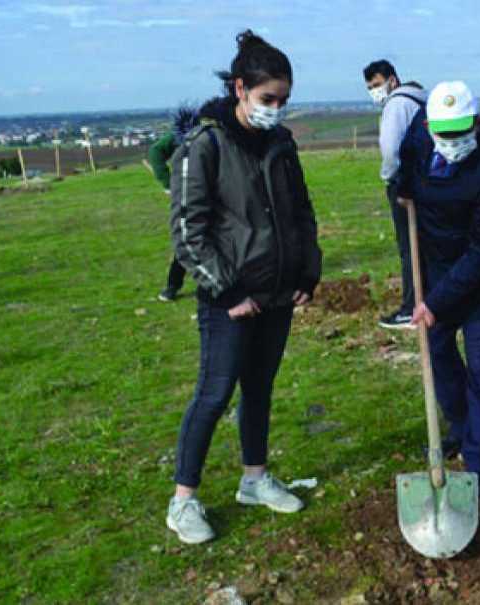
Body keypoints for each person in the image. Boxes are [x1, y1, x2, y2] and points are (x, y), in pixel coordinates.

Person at [165, 30, 322, 544]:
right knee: (213, 394)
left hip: (277, 294)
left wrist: (306, 272)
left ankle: (255, 479)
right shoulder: (203, 146)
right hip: (228, 300)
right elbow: (189, 232)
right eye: (266, 99)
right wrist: (229, 292)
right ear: (240, 89)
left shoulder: (281, 143)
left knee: (259, 390)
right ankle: (183, 501)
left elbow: (300, 212)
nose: (275, 109)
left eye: (283, 100)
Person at [395, 81, 480, 500]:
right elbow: (403, 166)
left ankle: (479, 461)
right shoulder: (417, 136)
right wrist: (402, 187)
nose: (451, 142)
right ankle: (462, 428)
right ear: (428, 125)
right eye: (443, 134)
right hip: (436, 264)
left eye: (461, 133)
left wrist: (434, 301)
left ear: (479, 123)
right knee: (439, 354)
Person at [363, 60, 428, 330]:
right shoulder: (419, 99)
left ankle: (411, 307)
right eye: (369, 88)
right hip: (429, 181)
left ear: (392, 80)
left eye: (377, 85)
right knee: (427, 244)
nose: (375, 91)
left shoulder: (396, 104)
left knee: (409, 246)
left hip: (406, 183)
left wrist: (390, 177)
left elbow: (390, 150)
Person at [148, 105, 198, 302]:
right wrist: (168, 183)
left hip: (217, 194)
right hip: (188, 196)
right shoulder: (181, 137)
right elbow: (156, 151)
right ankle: (172, 286)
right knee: (188, 239)